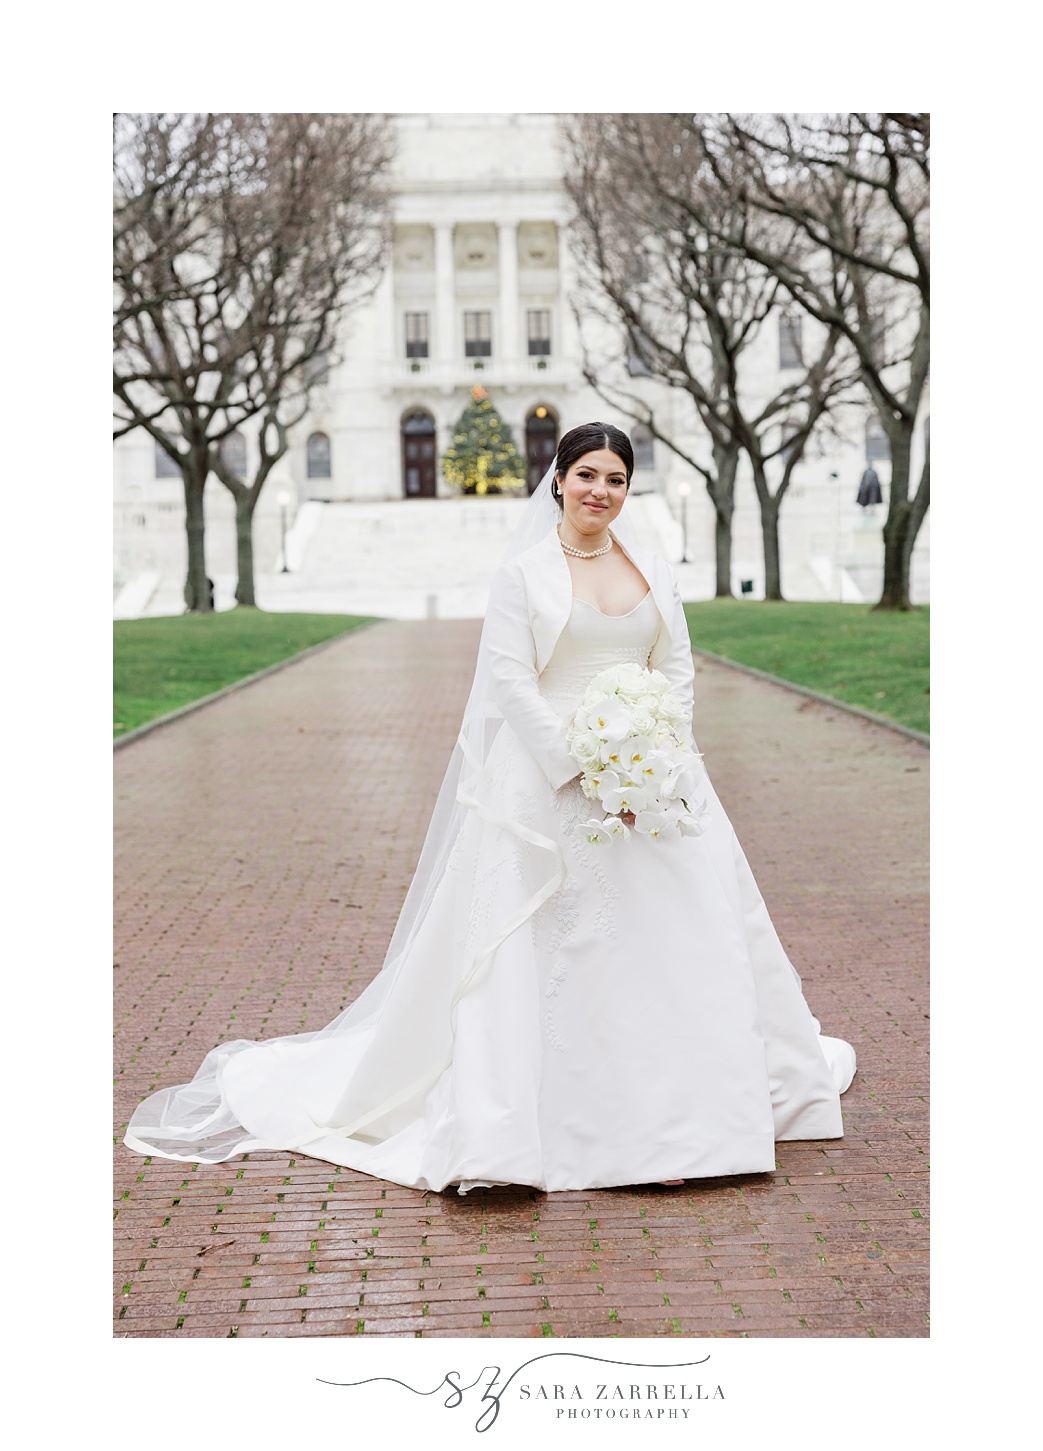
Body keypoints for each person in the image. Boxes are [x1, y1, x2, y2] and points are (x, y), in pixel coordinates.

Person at [125, 422, 855, 1193]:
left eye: (614, 478)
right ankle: (540, 1128)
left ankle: (692, 1116)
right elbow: (509, 680)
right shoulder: (526, 573)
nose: (599, 491)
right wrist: (584, 764)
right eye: (585, 475)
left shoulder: (651, 566)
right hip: (552, 780)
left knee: (688, 938)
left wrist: (656, 758)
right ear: (558, 480)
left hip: (659, 778)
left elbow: (673, 665)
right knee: (541, 946)